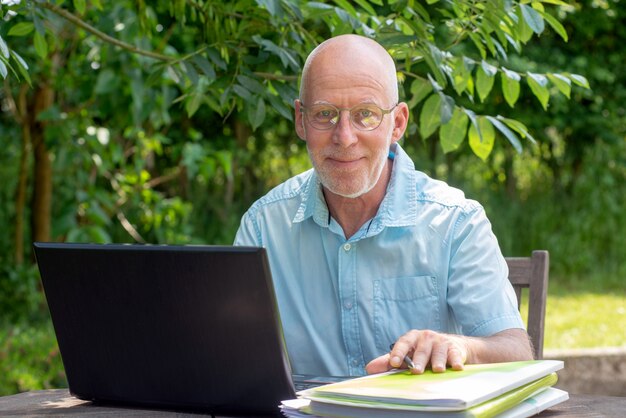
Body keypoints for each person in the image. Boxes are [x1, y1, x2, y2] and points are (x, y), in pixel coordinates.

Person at [234, 34, 533, 378]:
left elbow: (516, 351)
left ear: (398, 123)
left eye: (366, 114)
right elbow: (235, 356)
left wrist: (459, 346)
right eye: (325, 114)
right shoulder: (263, 226)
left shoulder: (456, 223)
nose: (344, 137)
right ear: (301, 120)